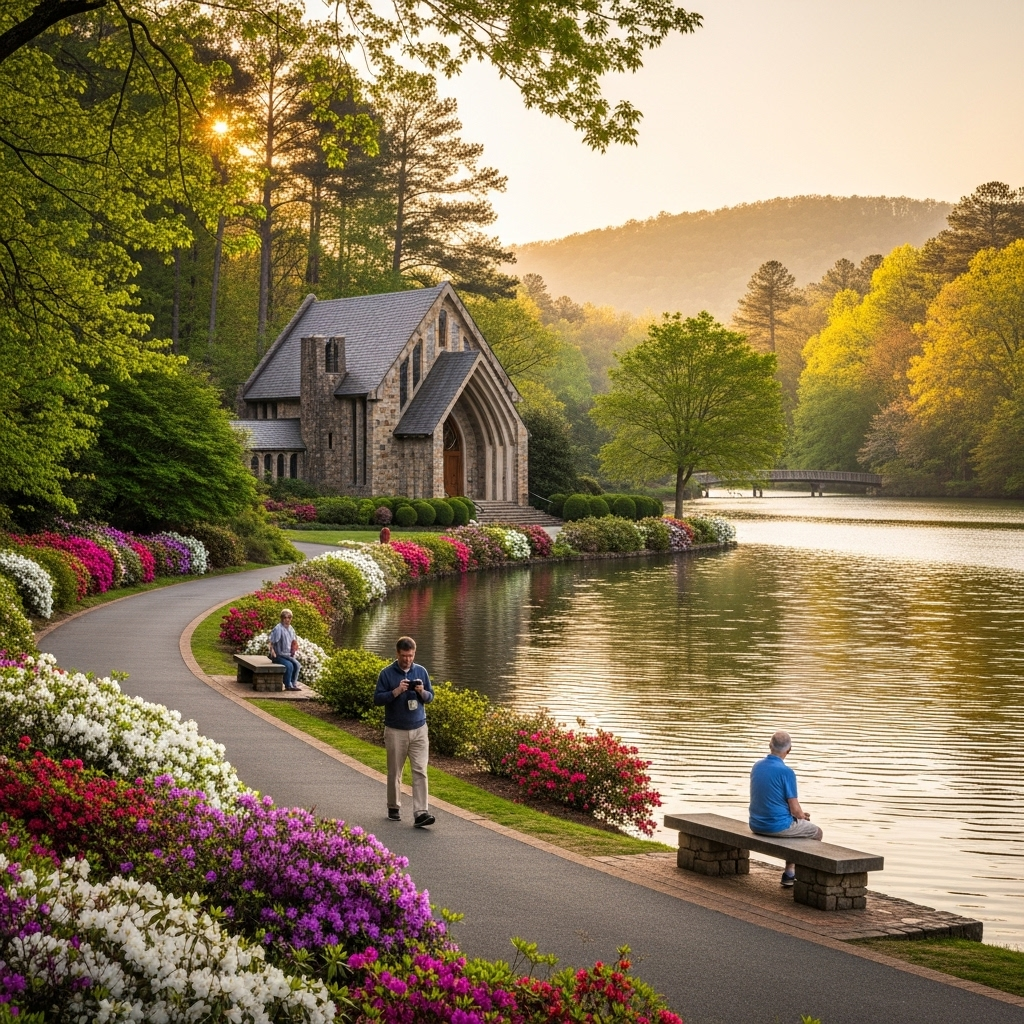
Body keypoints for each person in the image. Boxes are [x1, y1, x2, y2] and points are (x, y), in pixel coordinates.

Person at [374, 636, 435, 827]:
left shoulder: (421, 671)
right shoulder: (386, 674)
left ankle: (421, 812)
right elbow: (377, 699)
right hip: (395, 730)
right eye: (403, 656)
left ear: (414, 653)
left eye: (410, 656)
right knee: (395, 772)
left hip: (419, 729)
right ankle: (394, 807)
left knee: (420, 771)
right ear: (397, 654)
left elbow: (430, 697)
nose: (407, 659)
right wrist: (396, 692)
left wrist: (421, 692)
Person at [749, 730, 823, 887]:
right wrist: (802, 816)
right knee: (816, 833)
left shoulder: (757, 766)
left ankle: (791, 873)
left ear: (770, 746)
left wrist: (798, 815)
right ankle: (791, 873)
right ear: (789, 750)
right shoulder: (786, 772)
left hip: (755, 824)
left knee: (798, 825)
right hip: (776, 826)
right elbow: (795, 810)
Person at [268, 609, 301, 691]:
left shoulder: (291, 629)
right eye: (285, 617)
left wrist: (294, 648)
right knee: (289, 666)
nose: (287, 619)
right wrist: (272, 653)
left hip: (287, 655)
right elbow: (270, 642)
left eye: (289, 617)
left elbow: (294, 642)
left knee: (297, 665)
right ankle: (288, 685)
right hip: (278, 655)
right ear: (281, 618)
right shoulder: (278, 628)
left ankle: (293, 684)